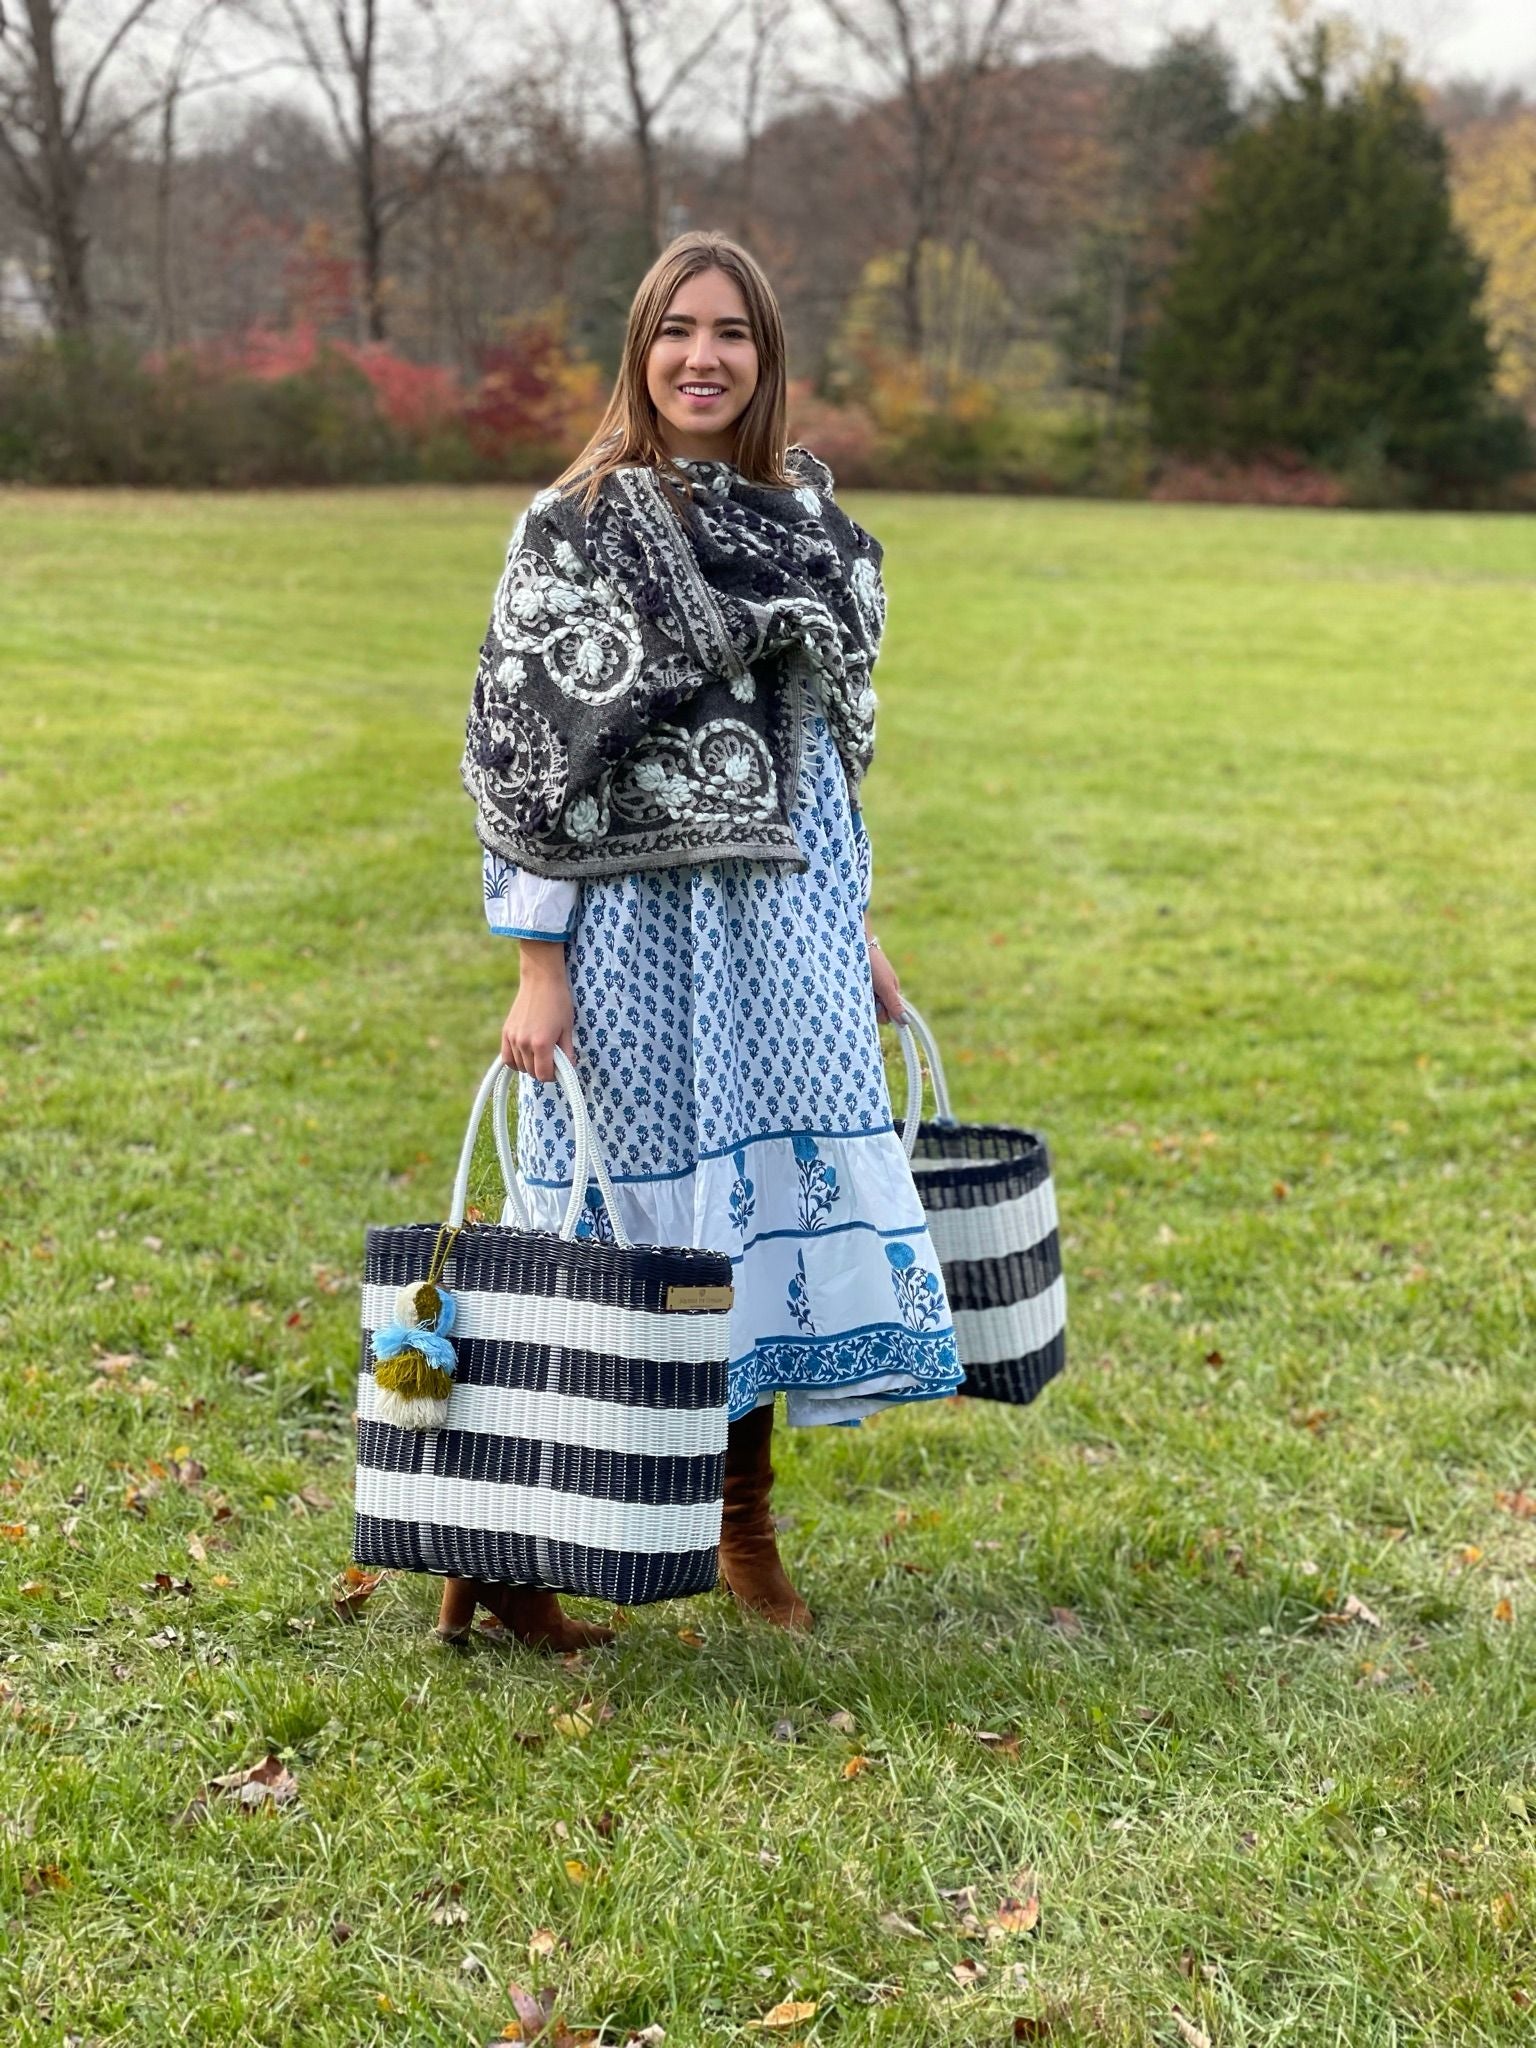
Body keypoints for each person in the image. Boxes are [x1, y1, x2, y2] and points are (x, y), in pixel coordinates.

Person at [438, 230, 961, 1652]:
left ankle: (744, 1529)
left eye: (731, 331)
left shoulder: (815, 531)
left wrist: (854, 935)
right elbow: (521, 753)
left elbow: (822, 765)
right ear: (640, 349)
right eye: (677, 329)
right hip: (631, 937)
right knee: (595, 1230)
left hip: (782, 929)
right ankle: (508, 1548)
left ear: (767, 355)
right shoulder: (576, 521)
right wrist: (536, 961)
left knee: (756, 1231)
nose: (703, 356)